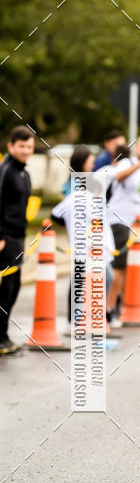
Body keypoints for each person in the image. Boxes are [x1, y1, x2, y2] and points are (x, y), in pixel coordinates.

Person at [51, 146, 115, 323]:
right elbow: (62, 212)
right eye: (90, 161)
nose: (93, 164)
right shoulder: (74, 184)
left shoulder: (90, 179)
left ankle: (91, 314)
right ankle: (76, 317)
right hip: (83, 242)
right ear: (81, 162)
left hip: (95, 240)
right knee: (81, 277)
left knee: (93, 276)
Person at [106, 134, 140, 326]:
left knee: (135, 269)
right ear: (137, 148)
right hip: (121, 221)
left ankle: (125, 308)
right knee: (120, 269)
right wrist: (139, 165)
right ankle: (108, 311)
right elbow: (118, 176)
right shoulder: (126, 163)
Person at [0, 125, 35, 354]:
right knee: (6, 290)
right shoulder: (6, 170)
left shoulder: (24, 172)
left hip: (18, 237)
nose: (25, 150)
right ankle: (1, 339)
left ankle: (3, 336)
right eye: (21, 146)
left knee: (13, 290)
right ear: (10, 146)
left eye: (29, 146)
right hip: (6, 238)